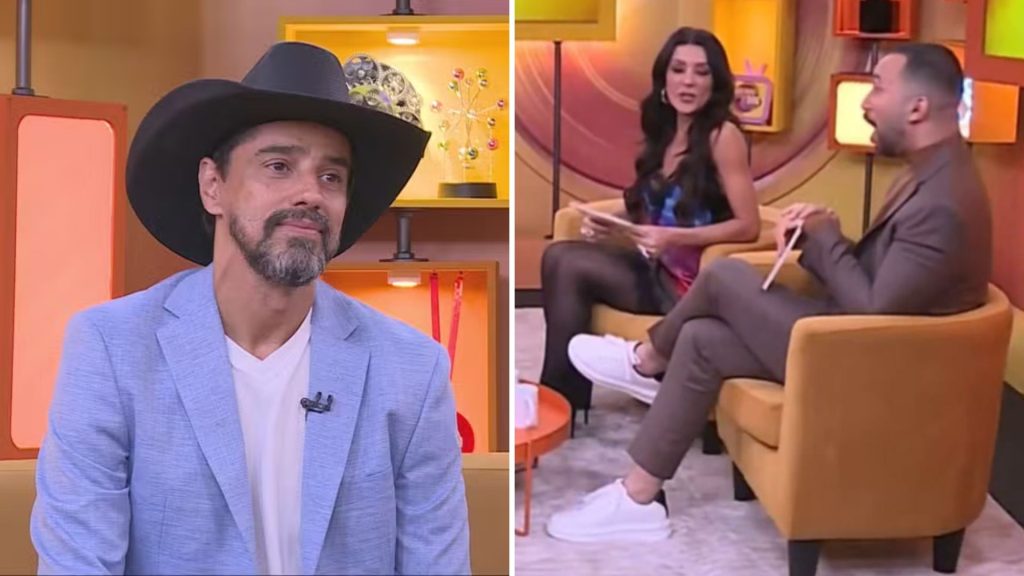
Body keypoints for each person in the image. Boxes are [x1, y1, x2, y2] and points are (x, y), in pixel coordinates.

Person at [30, 42, 470, 574]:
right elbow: (77, 563)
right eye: (279, 166)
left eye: (331, 177)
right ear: (213, 186)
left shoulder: (412, 369)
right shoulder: (112, 349)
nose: (311, 194)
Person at [551, 42, 991, 542]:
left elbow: (876, 307)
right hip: (851, 341)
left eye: (878, 89)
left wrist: (826, 239)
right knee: (699, 338)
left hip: (867, 365)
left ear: (917, 108)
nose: (866, 103)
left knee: (725, 276)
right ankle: (638, 497)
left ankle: (646, 359)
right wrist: (820, 234)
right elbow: (888, 280)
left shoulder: (942, 202)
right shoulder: (930, 174)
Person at [539, 27, 761, 423]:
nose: (688, 81)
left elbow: (749, 226)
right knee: (560, 257)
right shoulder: (666, 130)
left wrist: (674, 237)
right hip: (656, 270)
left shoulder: (723, 137)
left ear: (715, 83)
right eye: (678, 70)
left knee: (567, 263)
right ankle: (562, 400)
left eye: (701, 72)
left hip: (689, 288)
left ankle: (558, 403)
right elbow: (649, 200)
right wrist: (611, 223)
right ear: (664, 78)